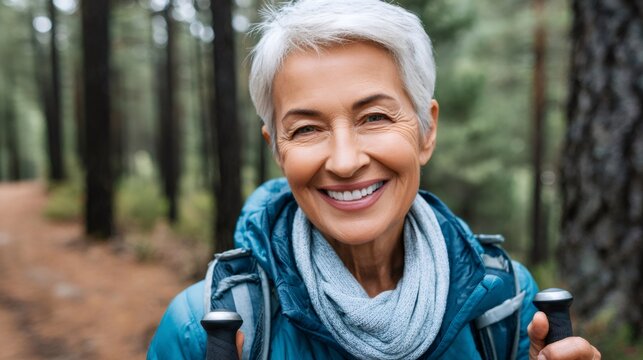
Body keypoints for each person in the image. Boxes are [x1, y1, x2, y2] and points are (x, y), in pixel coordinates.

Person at [148, 0, 600, 359]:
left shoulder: (505, 304)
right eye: (307, 128)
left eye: (375, 117)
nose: (345, 162)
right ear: (277, 150)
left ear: (427, 131)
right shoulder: (205, 326)